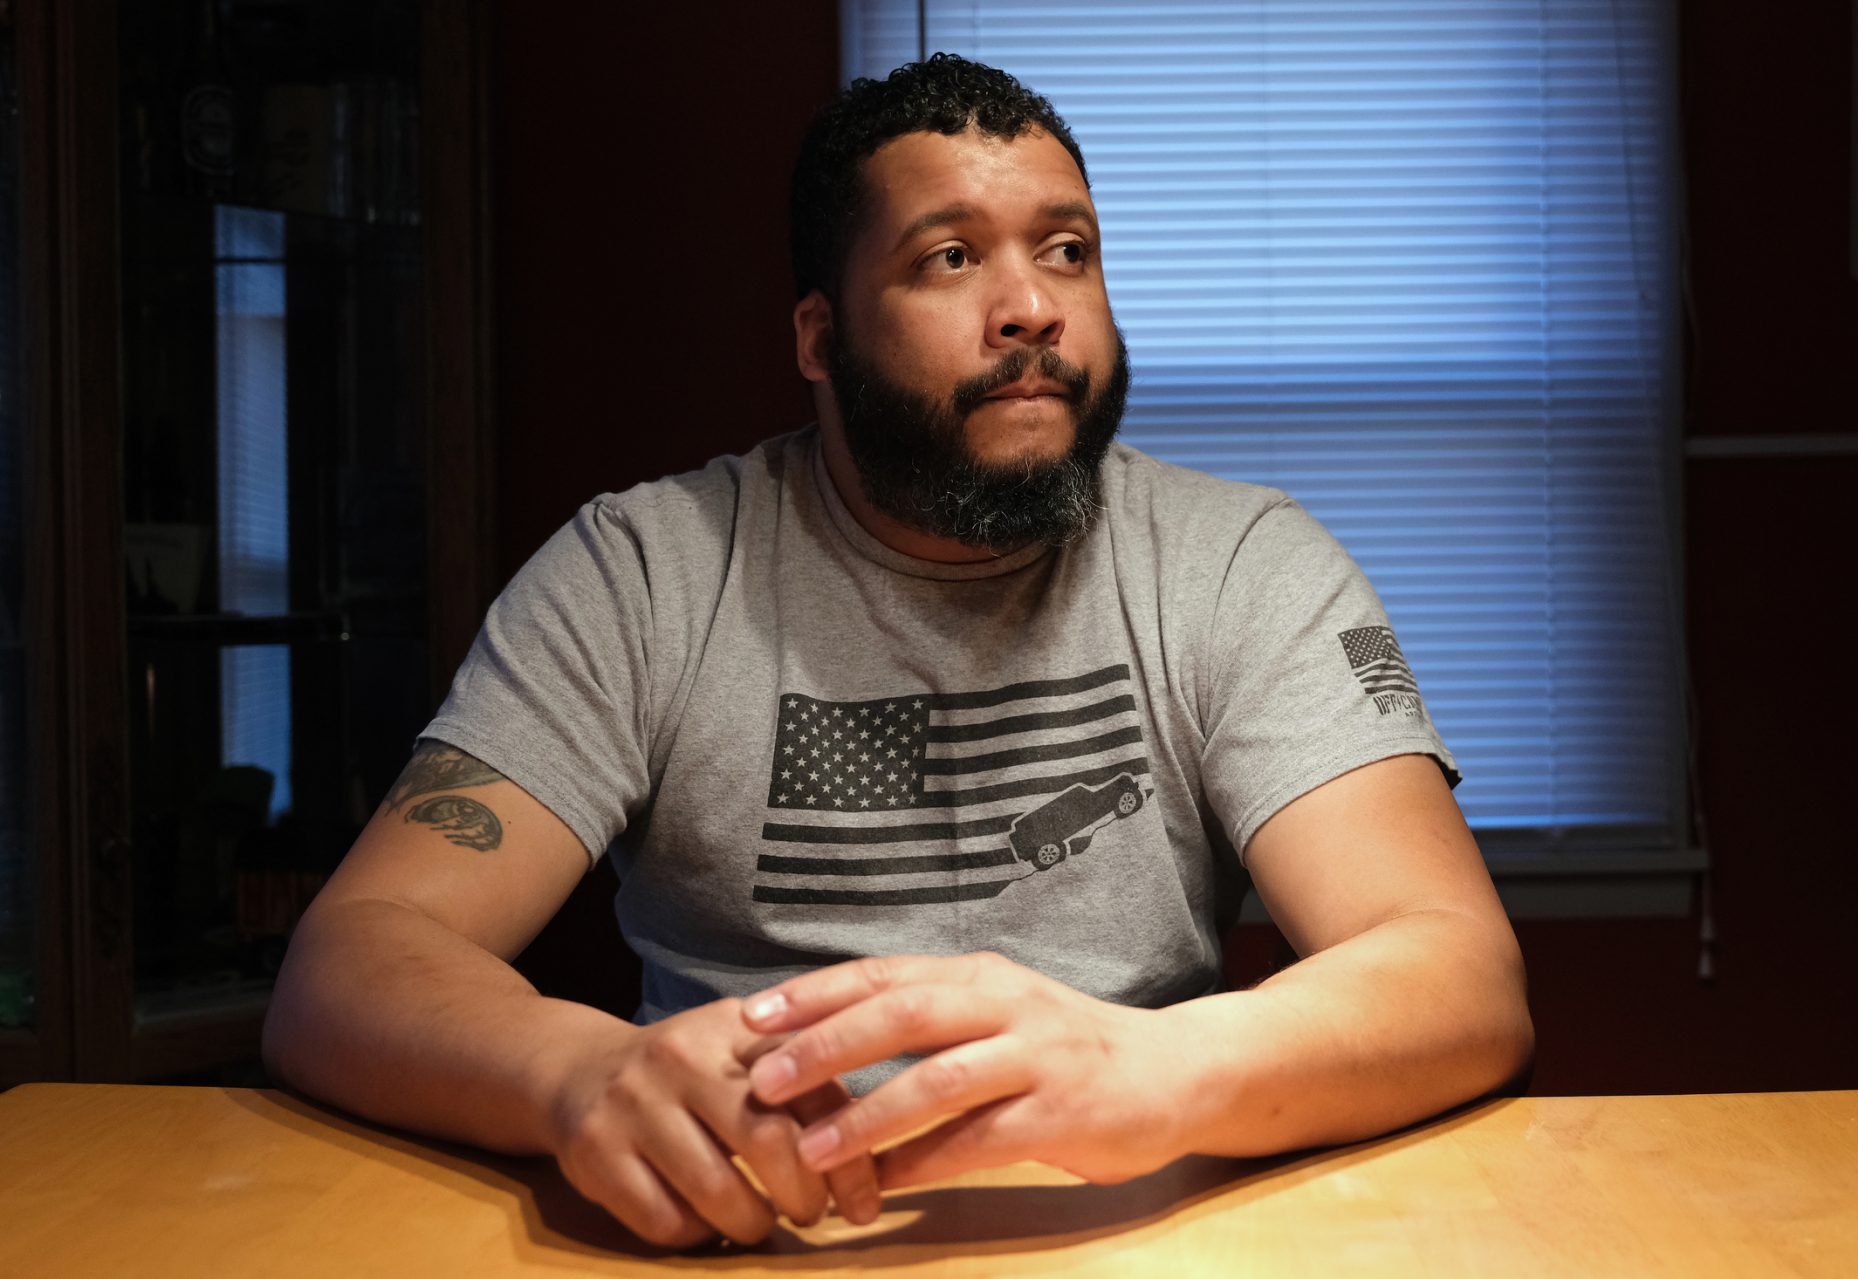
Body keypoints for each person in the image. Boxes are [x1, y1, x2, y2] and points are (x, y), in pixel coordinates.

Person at [262, 54, 1533, 1250]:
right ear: (818, 337)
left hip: (1131, 1221)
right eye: (949, 258)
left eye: (1068, 252)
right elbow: (352, 959)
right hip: (738, 1229)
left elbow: (1455, 969)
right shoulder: (643, 571)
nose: (1031, 307)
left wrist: (1160, 1069)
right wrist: (577, 1074)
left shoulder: (1243, 562)